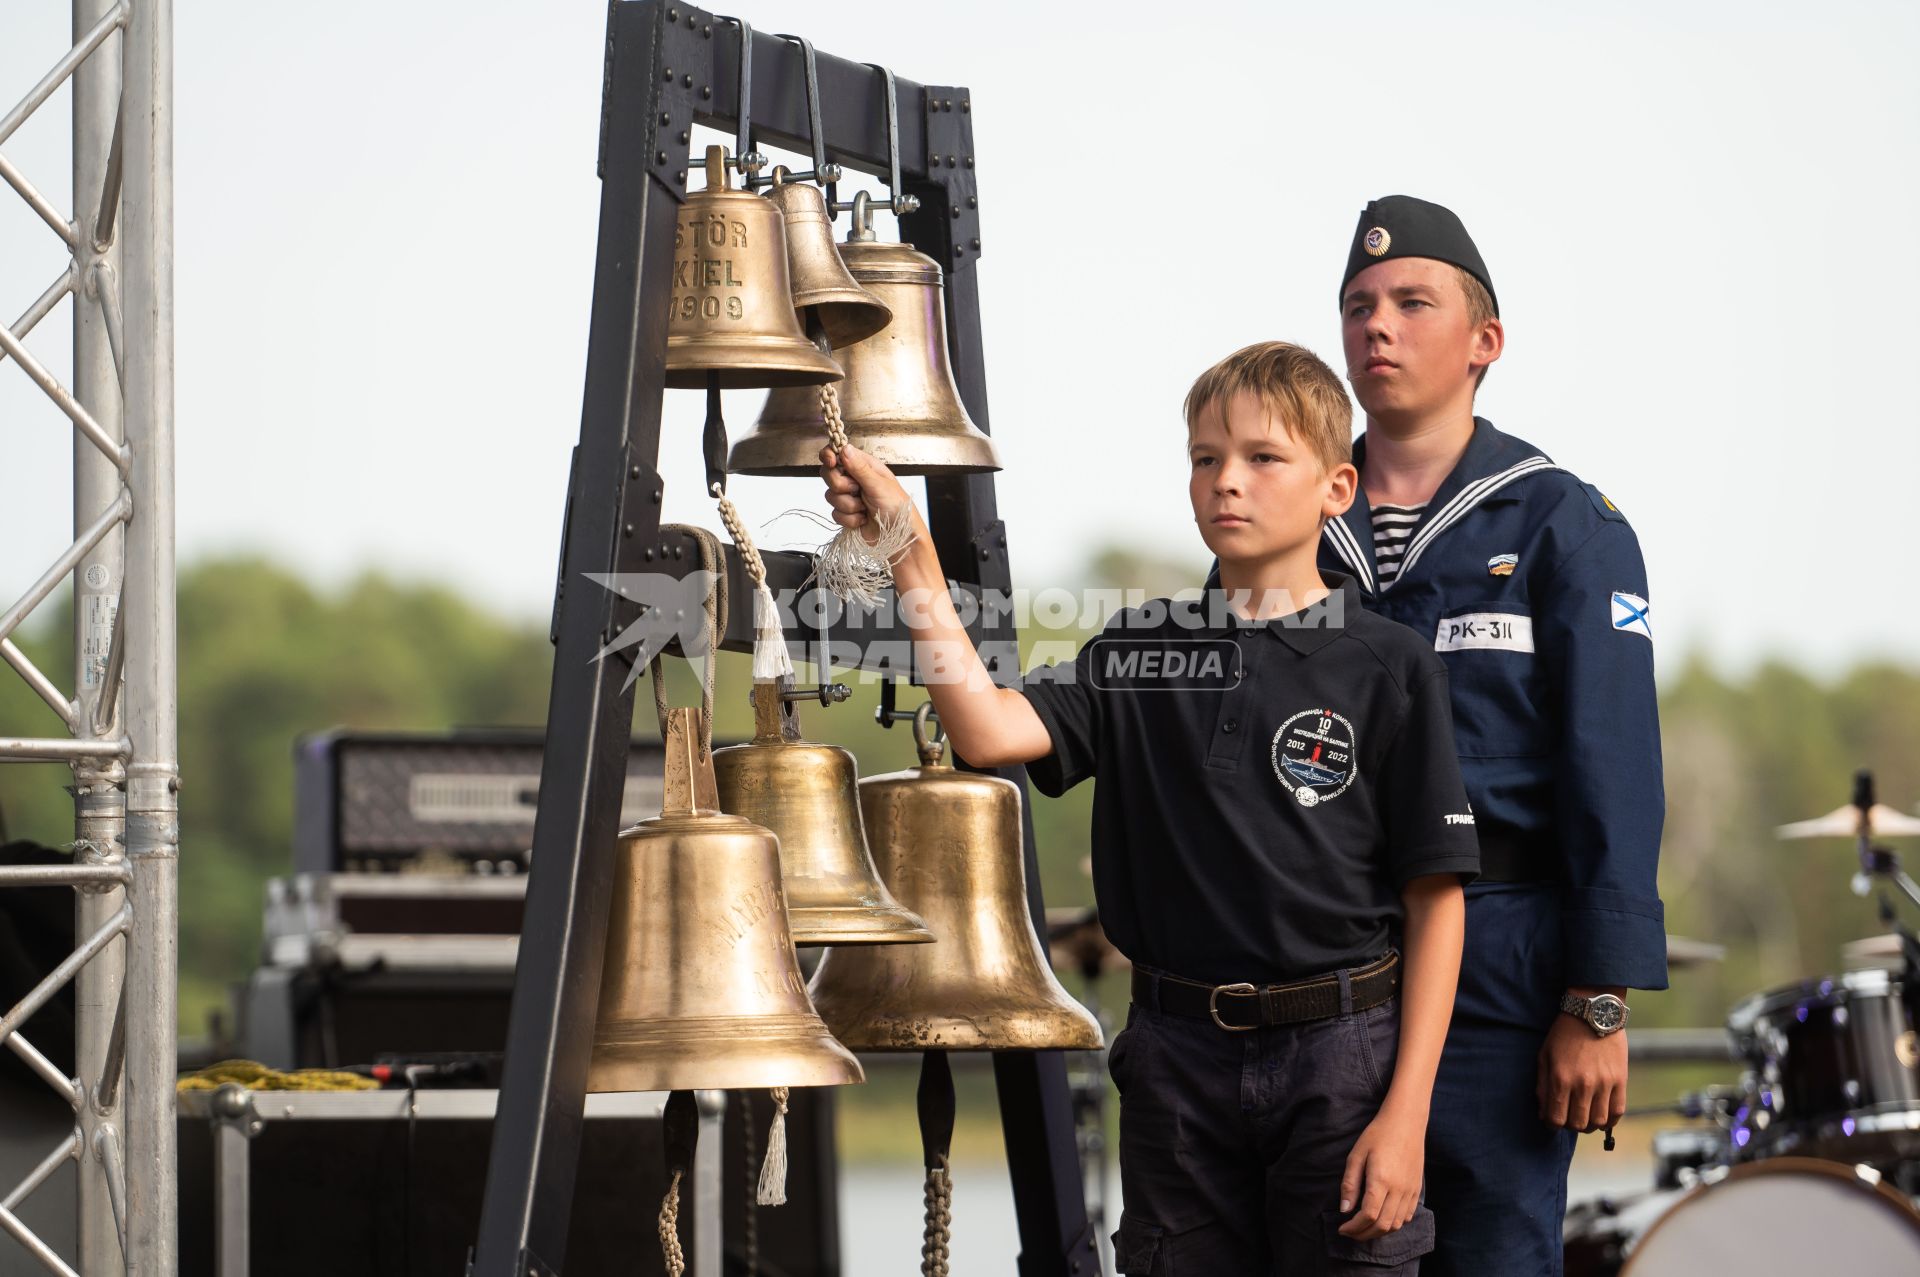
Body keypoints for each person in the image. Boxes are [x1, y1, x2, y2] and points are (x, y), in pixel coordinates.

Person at [821, 341, 1480, 1274]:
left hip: (1342, 1061)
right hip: (1177, 1060)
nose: (1226, 482)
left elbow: (1437, 901)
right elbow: (986, 730)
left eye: (1262, 458)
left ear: (1338, 487)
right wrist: (911, 555)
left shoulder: (1391, 665)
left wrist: (1407, 1111)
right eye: (1205, 459)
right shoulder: (1140, 648)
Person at [1319, 195, 1668, 1276]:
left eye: (1413, 302)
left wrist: (1596, 997)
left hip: (1504, 969)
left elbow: (1614, 764)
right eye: (1359, 304)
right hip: (1327, 967)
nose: (1378, 325)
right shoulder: (1297, 519)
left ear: (1485, 342)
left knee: (1493, 1253)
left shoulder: (1564, 523)